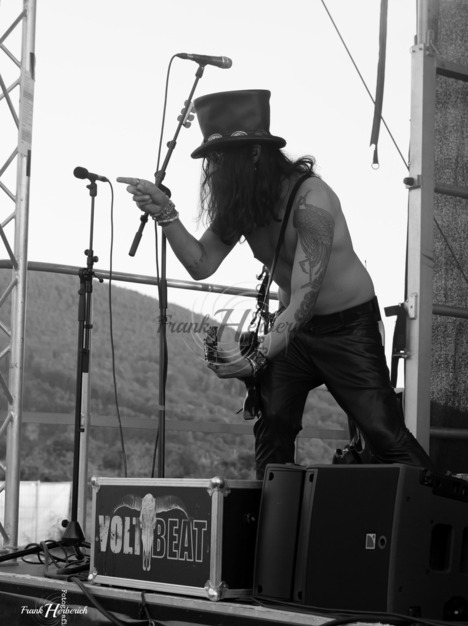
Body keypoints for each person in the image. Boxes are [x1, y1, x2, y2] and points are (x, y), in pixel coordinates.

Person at [118, 89, 434, 479]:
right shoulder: (244, 202)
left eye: (222, 159)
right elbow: (202, 263)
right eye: (212, 160)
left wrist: (254, 359)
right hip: (294, 332)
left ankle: (443, 507)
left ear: (254, 154)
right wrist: (166, 215)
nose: (214, 170)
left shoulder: (311, 200)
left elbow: (304, 298)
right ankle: (273, 516)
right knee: (273, 428)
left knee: (384, 434)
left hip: (347, 328)